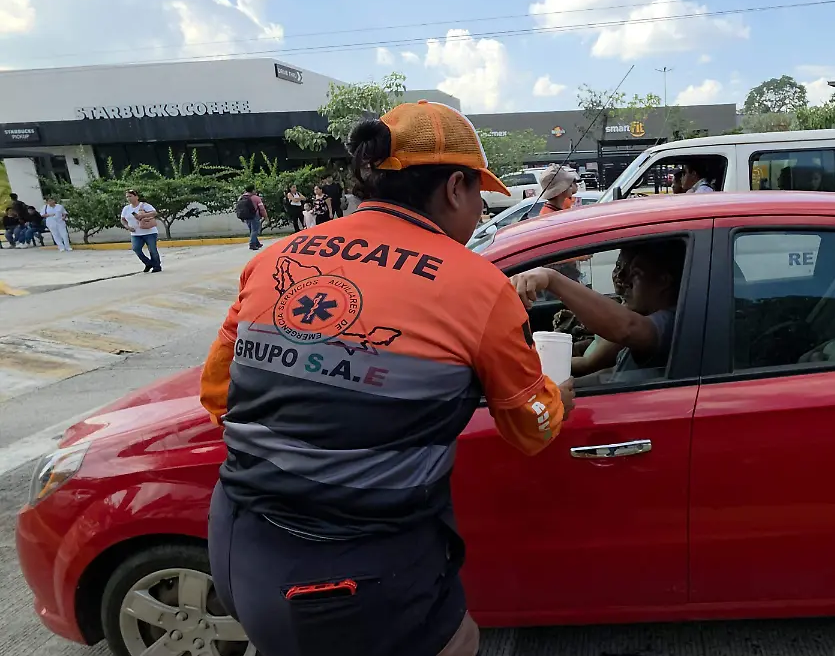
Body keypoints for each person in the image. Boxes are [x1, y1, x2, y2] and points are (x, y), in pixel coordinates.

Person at [201, 100, 574, 656]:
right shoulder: (478, 287)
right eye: (479, 194)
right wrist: (557, 396)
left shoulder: (275, 258)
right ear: (454, 187)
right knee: (461, 642)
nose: (479, 210)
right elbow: (530, 430)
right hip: (352, 573)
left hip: (238, 544)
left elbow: (217, 397)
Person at [512, 240, 685, 385]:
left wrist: (552, 279)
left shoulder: (670, 324)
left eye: (636, 275)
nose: (624, 281)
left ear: (664, 281)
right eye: (620, 269)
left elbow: (627, 327)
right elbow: (614, 373)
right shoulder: (651, 315)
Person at [121, 190, 162, 273]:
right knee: (136, 248)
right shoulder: (126, 208)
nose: (128, 198)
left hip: (149, 232)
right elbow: (123, 219)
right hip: (135, 233)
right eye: (127, 197)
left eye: (130, 196)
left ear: (136, 197)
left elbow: (154, 213)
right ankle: (148, 263)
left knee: (152, 250)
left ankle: (157, 266)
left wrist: (143, 215)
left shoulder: (144, 205)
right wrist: (127, 227)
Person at [238, 186, 267, 250]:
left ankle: (257, 243)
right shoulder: (256, 198)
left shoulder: (241, 197)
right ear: (253, 190)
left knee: (252, 230)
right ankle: (252, 244)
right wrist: (265, 216)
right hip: (254, 216)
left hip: (246, 216)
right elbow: (262, 208)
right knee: (255, 230)